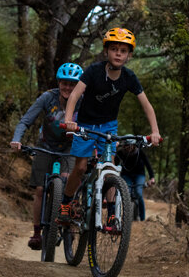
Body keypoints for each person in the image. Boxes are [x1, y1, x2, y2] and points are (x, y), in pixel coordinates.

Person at [60, 27, 161, 219]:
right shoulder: (94, 71)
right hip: (85, 124)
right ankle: (66, 202)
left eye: (123, 51)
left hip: (108, 125)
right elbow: (74, 96)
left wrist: (154, 132)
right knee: (80, 168)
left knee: (110, 168)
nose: (118, 54)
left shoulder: (129, 77)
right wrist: (68, 120)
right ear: (106, 51)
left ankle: (113, 214)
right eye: (114, 49)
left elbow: (147, 105)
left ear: (129, 55)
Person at [10, 62, 83, 249]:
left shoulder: (83, 101)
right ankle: (36, 232)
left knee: (69, 184)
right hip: (45, 146)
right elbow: (25, 121)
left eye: (72, 84)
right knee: (40, 190)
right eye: (64, 83)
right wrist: (17, 139)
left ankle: (68, 221)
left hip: (69, 149)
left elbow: (92, 126)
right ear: (59, 83)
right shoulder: (47, 97)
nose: (68, 88)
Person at [116, 141, 155, 221]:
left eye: (130, 145)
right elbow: (115, 164)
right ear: (124, 146)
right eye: (126, 145)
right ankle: (125, 215)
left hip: (139, 175)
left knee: (138, 193)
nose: (128, 148)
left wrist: (152, 177)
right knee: (127, 192)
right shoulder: (121, 153)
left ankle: (142, 218)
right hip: (126, 175)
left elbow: (147, 164)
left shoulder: (139, 152)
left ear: (134, 146)